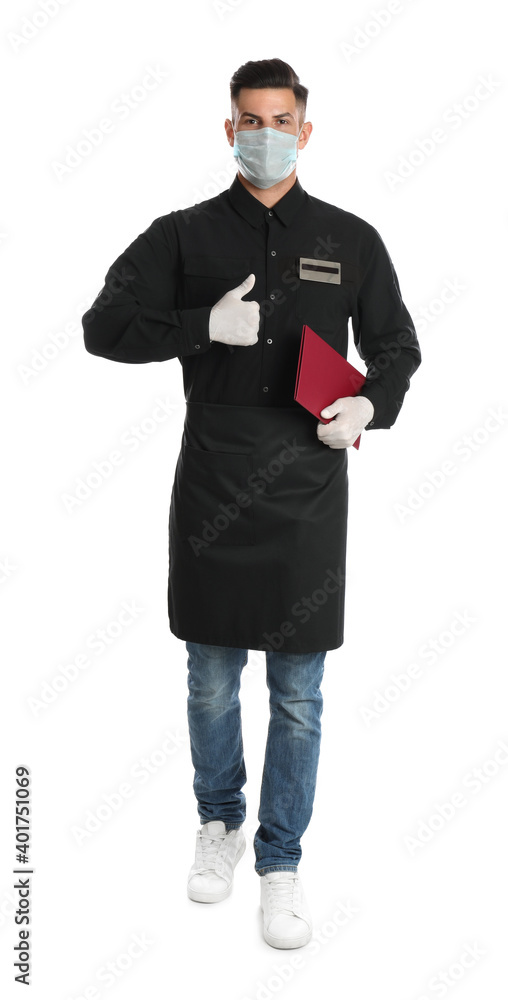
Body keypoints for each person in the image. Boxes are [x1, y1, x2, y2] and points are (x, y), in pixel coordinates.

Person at [82, 57, 421, 950]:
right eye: (248, 120)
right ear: (228, 130)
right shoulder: (184, 237)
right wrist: (198, 328)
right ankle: (219, 824)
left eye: (281, 120)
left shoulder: (351, 239)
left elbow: (396, 344)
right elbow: (100, 328)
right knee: (209, 680)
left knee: (300, 691)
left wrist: (368, 405)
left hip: (308, 489)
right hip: (214, 486)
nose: (264, 134)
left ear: (305, 131)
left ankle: (279, 861)